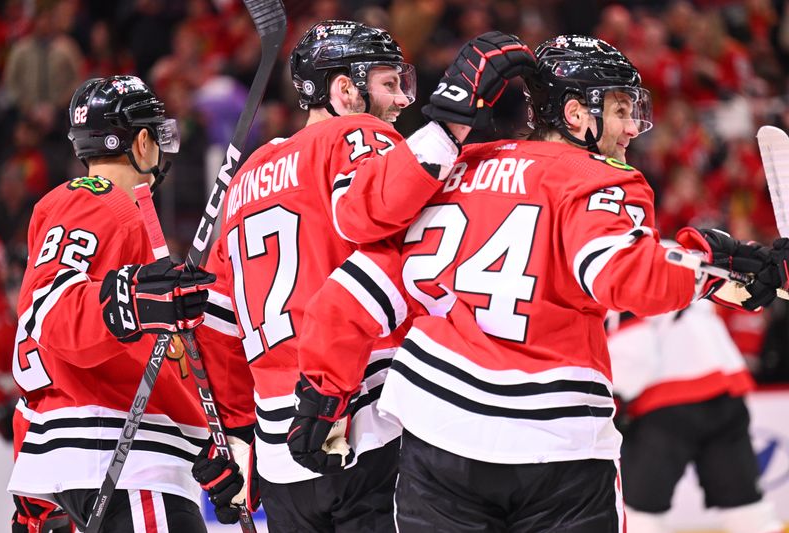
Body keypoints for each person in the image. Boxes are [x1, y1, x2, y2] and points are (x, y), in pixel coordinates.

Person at [292, 34, 783, 532]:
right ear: (574, 114)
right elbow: (628, 275)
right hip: (558, 450)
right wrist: (720, 261)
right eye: (620, 109)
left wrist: (321, 397)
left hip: (438, 437)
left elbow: (351, 295)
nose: (632, 127)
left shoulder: (454, 169)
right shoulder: (598, 178)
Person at [190, 20, 535, 531]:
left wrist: (237, 434)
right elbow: (370, 209)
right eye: (388, 84)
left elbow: (218, 323)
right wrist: (447, 128)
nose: (401, 101)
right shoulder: (355, 133)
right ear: (345, 90)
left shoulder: (247, 177)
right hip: (364, 421)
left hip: (280, 451)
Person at [6, 75, 216, 533]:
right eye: (157, 133)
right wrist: (133, 301)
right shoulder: (99, 203)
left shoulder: (130, 220)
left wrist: (209, 444)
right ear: (142, 141)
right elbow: (51, 310)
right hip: (120, 457)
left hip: (96, 457)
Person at [607, 298, 784, 533]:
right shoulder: (681, 270)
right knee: (746, 506)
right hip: (725, 391)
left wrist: (615, 401)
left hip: (665, 402)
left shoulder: (619, 284)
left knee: (640, 512)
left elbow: (633, 352)